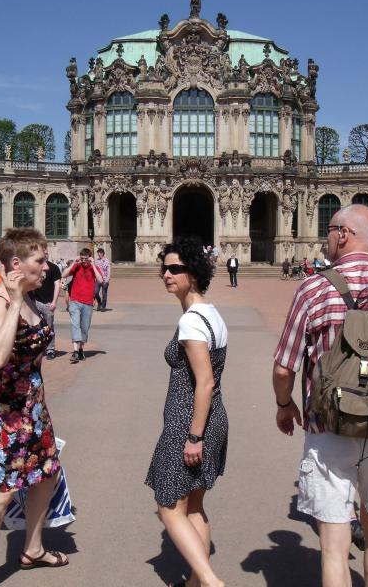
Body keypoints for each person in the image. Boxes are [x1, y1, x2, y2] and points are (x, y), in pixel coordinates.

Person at [273, 204, 368, 587]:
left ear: (343, 234)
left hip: (327, 427)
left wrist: (284, 405)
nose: (326, 237)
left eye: (329, 229)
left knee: (333, 545)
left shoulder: (312, 288)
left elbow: (284, 368)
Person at [0, 228, 67, 587]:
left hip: (31, 403)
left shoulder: (29, 297)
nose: (47, 267)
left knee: (47, 472)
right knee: (2, 490)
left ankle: (33, 549)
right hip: (2, 408)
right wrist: (12, 302)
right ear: (16, 264)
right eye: (40, 260)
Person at [145, 236, 229, 587]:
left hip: (189, 422)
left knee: (168, 507)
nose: (166, 274)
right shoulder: (211, 313)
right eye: (164, 268)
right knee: (193, 506)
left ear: (193, 273)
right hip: (213, 418)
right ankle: (196, 582)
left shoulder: (193, 321)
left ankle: (210, 581)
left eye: (175, 269)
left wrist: (193, 436)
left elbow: (205, 382)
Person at [63, 248, 103, 363]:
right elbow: (64, 274)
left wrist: (93, 265)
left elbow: (100, 280)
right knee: (75, 324)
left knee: (84, 327)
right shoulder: (77, 266)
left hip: (88, 302)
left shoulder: (94, 268)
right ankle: (75, 352)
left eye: (86, 258)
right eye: (82, 258)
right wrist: (74, 263)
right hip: (75, 300)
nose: (84, 261)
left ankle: (81, 350)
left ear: (90, 258)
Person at [32, 255, 62, 360]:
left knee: (49, 327)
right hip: (35, 301)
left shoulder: (54, 268)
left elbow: (57, 285)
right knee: (34, 326)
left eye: (46, 253)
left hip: (48, 302)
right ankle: (36, 348)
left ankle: (50, 349)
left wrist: (54, 302)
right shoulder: (35, 267)